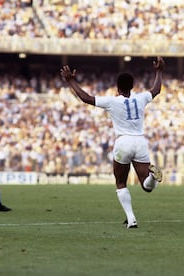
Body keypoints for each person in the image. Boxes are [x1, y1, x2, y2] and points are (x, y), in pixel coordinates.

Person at [60, 56, 165, 229]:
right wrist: (159, 71)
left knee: (121, 183)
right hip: (140, 141)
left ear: (117, 87)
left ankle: (131, 219)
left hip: (123, 142)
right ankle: (153, 177)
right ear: (132, 86)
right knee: (146, 186)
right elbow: (156, 89)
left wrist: (71, 81)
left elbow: (86, 98)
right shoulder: (141, 98)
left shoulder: (112, 101)